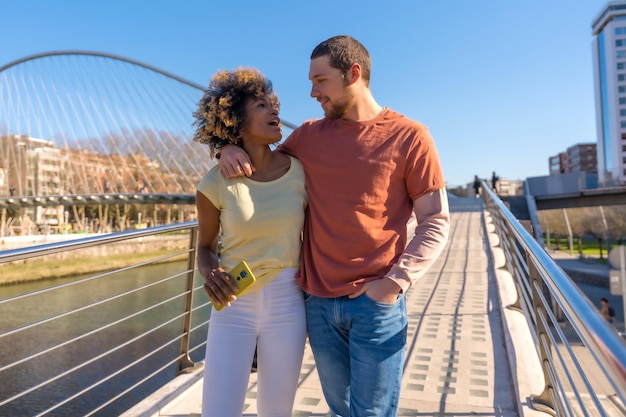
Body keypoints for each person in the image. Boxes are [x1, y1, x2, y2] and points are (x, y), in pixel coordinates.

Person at [218, 36, 450, 416]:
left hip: (376, 305)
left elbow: (435, 221)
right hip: (319, 305)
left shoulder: (411, 137)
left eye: (320, 81)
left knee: (371, 413)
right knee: (341, 408)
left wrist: (394, 283)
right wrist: (226, 148)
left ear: (353, 74)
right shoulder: (308, 137)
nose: (312, 92)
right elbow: (259, 158)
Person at [192, 67, 307, 417]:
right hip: (233, 304)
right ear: (236, 120)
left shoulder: (302, 171)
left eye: (273, 104)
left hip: (289, 302)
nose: (275, 110)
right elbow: (206, 248)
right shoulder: (213, 184)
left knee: (276, 410)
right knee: (218, 409)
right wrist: (209, 274)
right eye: (261, 105)